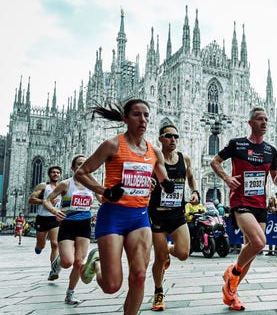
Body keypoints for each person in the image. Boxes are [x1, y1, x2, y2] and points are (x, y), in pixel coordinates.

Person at [74, 99, 174, 315]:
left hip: (139, 218)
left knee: (139, 277)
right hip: (113, 217)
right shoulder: (112, 145)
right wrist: (105, 191)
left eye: (146, 115)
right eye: (137, 115)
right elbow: (81, 173)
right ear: (125, 118)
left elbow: (162, 177)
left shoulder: (154, 151)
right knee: (112, 286)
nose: (143, 120)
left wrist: (166, 184)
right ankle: (97, 263)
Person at [210, 106, 277, 311]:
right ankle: (233, 274)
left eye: (266, 120)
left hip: (260, 204)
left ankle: (231, 293)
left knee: (250, 251)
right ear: (250, 123)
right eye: (260, 119)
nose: (264, 123)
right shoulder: (238, 144)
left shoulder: (271, 150)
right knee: (259, 242)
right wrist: (226, 178)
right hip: (241, 201)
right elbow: (214, 161)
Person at [148, 124, 197, 311]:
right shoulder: (152, 160)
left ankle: (169, 249)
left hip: (177, 213)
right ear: (160, 138)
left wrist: (195, 191)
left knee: (184, 253)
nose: (173, 139)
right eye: (169, 136)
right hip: (157, 214)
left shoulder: (184, 159)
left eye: (176, 136)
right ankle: (158, 291)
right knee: (159, 258)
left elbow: (191, 177)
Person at [43, 155, 101, 305]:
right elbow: (47, 200)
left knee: (78, 262)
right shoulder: (65, 184)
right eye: (79, 164)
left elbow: (102, 199)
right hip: (68, 225)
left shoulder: (92, 183)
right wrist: (55, 211)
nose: (82, 166)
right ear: (73, 167)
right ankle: (58, 262)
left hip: (84, 225)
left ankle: (70, 293)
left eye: (85, 164)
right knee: (68, 261)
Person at [29, 165, 62, 280]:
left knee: (55, 244)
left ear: (60, 175)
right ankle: (39, 246)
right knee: (41, 244)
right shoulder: (44, 186)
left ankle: (53, 270)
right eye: (53, 172)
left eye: (58, 172)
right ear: (49, 174)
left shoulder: (62, 187)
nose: (56, 174)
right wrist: (46, 201)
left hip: (55, 218)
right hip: (42, 218)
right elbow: (31, 199)